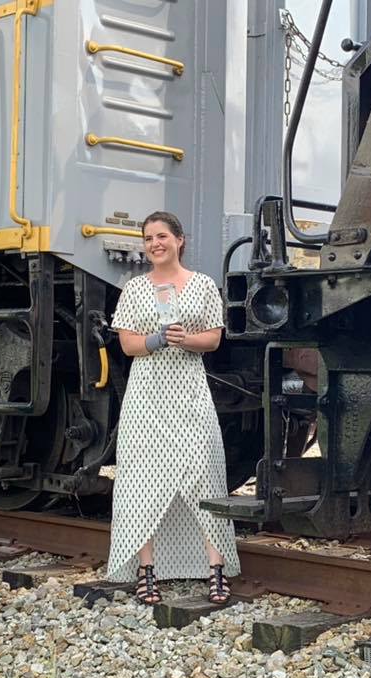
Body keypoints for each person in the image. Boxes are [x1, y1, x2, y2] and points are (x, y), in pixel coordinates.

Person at [106, 210, 240, 604]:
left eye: (162, 236)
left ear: (179, 240)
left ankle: (215, 568)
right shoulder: (134, 289)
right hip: (146, 395)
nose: (154, 244)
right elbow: (128, 345)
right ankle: (147, 570)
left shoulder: (201, 286)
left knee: (204, 471)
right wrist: (157, 340)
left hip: (189, 390)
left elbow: (214, 339)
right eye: (148, 239)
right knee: (142, 477)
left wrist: (183, 339)